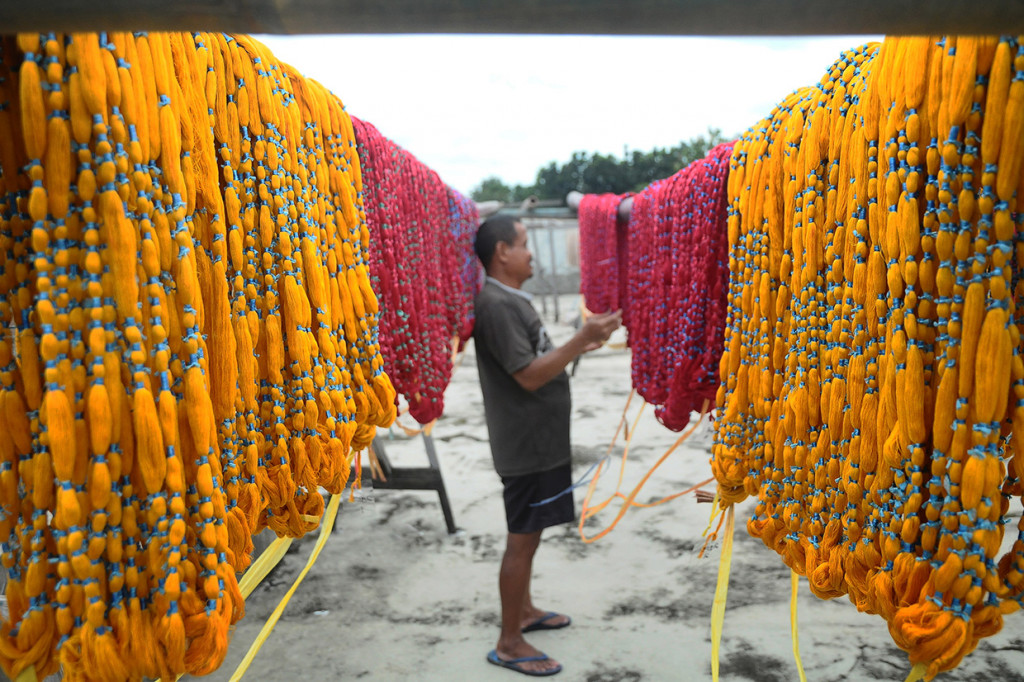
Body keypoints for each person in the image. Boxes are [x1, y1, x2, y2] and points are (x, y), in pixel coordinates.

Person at [472, 216, 621, 677]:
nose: (531, 253)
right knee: (521, 540)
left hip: (539, 442)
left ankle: (526, 612)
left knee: (530, 536)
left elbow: (539, 359)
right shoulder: (495, 304)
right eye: (524, 244)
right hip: (526, 448)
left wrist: (584, 341)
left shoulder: (512, 299)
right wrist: (581, 338)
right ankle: (510, 642)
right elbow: (529, 375)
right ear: (502, 253)